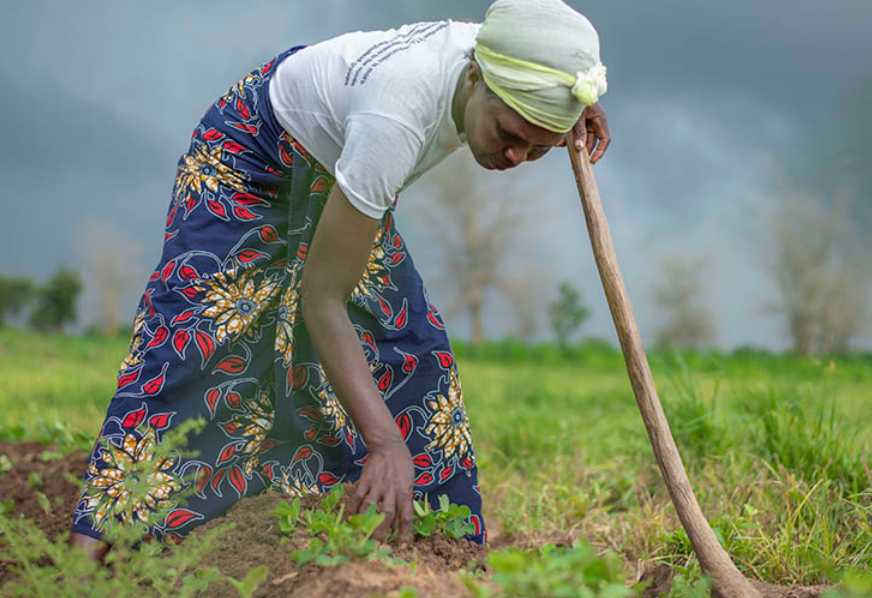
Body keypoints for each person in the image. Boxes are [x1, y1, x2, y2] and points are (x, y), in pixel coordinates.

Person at [68, 0, 611, 562]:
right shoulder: (394, 117)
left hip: (335, 168)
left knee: (410, 353)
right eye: (510, 132)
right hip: (251, 157)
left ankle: (440, 553)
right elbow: (322, 298)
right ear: (474, 77)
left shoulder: (507, 56)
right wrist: (383, 441)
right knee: (196, 339)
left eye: (540, 146)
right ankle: (86, 554)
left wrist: (574, 101)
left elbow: (550, 50)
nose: (518, 155)